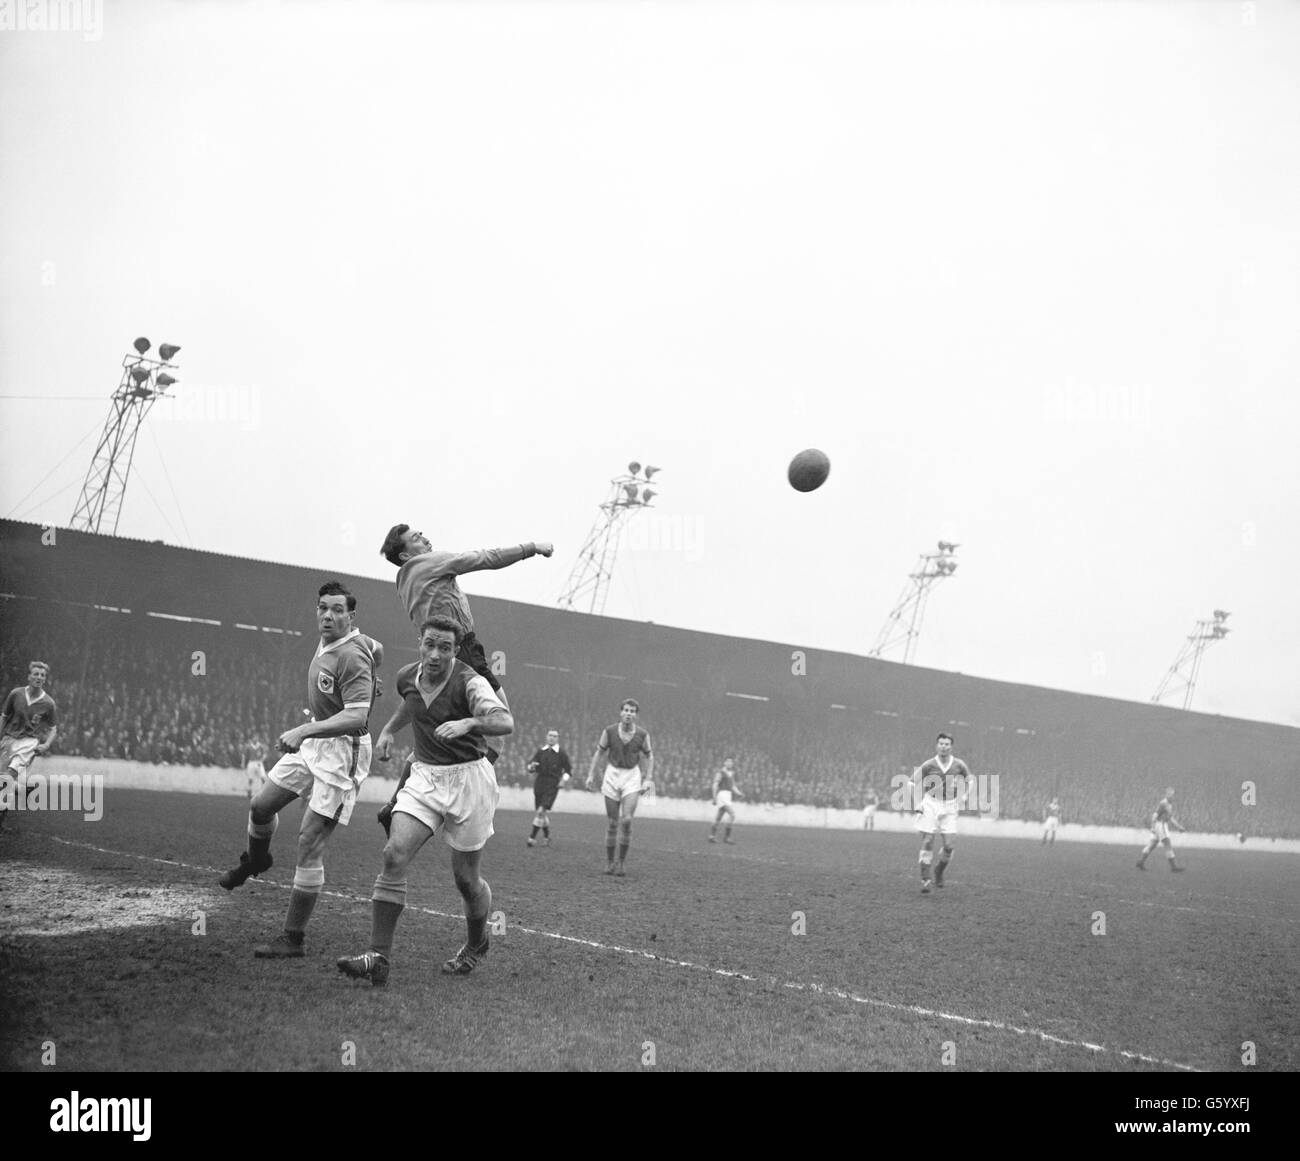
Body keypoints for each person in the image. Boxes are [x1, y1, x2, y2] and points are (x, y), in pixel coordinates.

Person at [337, 616, 512, 987]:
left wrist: (470, 724)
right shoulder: (406, 677)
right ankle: (378, 957)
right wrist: (387, 730)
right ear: (420, 642)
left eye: (445, 648)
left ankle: (477, 942)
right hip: (426, 776)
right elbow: (411, 703)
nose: (435, 654)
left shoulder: (470, 681)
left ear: (455, 650)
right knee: (394, 853)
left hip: (469, 782)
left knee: (466, 880)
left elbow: (504, 720)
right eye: (429, 644)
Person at [217, 581, 379, 960]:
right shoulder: (348, 642)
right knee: (261, 806)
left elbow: (357, 714)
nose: (328, 615)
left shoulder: (351, 656)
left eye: (337, 610)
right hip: (317, 743)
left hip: (343, 753)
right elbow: (379, 650)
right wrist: (376, 679)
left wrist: (304, 728)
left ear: (350, 616)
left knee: (309, 842)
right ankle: (257, 859)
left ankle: (293, 939)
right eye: (323, 607)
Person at [376, 524, 552, 729]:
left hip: (435, 652)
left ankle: (402, 744)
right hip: (460, 648)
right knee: (502, 720)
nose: (424, 538)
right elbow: (486, 558)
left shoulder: (404, 580)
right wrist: (532, 548)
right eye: (416, 538)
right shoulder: (429, 563)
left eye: (422, 534)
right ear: (405, 556)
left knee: (440, 721)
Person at [585, 699, 654, 876]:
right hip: (612, 775)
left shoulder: (642, 734)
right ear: (620, 713)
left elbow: (649, 756)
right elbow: (599, 752)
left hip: (631, 775)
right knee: (613, 822)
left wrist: (648, 779)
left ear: (636, 715)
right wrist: (591, 775)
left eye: (632, 711)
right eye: (625, 710)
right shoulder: (609, 731)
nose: (628, 713)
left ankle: (621, 862)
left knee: (627, 820)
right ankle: (609, 862)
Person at [0, 661, 58, 831]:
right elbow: (4, 717)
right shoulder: (15, 694)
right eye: (36, 674)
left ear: (45, 679)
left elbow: (53, 728)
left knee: (7, 778)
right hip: (9, 740)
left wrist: (46, 744)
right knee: (4, 781)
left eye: (42, 675)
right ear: (29, 676)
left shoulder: (48, 703)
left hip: (28, 743)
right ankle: (24, 791)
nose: (39, 677)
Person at [910, 732, 970, 894]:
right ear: (937, 746)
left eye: (947, 744)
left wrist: (963, 795)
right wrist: (918, 803)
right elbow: (911, 783)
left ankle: (939, 871)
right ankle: (925, 879)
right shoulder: (929, 764)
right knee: (928, 840)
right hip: (930, 804)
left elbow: (969, 780)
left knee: (949, 846)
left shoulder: (959, 764)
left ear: (951, 747)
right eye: (941, 744)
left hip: (950, 807)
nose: (943, 747)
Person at [527, 729, 572, 846]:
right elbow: (531, 767)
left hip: (553, 784)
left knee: (541, 811)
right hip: (540, 783)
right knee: (541, 813)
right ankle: (547, 837)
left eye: (555, 736)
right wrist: (531, 767)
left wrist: (563, 780)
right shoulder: (540, 752)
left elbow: (568, 771)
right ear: (546, 737)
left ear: (558, 739)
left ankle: (532, 838)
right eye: (550, 735)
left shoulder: (561, 754)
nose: (552, 738)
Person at [1137, 787, 1185, 872]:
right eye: (1170, 795)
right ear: (1166, 794)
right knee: (1167, 844)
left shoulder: (1169, 804)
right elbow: (1155, 814)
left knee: (1152, 845)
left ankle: (1141, 862)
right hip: (1161, 825)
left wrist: (1178, 827)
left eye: (1173, 795)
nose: (1171, 796)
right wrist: (1152, 826)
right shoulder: (1164, 803)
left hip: (1159, 825)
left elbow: (1170, 817)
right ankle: (1173, 867)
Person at [708, 756, 741, 843]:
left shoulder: (731, 774)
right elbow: (715, 785)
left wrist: (738, 793)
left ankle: (711, 836)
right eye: (728, 761)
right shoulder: (720, 773)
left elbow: (733, 786)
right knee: (732, 815)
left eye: (731, 762)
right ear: (724, 763)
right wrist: (714, 797)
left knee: (718, 818)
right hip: (722, 795)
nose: (730, 763)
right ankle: (726, 838)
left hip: (728, 796)